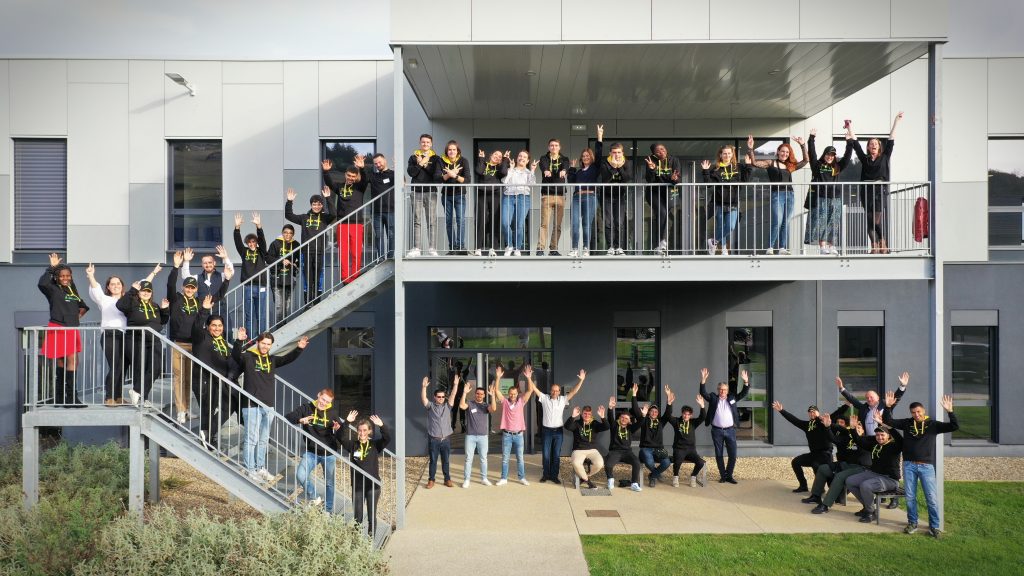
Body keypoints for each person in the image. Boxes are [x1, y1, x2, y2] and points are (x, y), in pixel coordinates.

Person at [232, 328, 307, 482]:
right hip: (251, 405)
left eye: (268, 344)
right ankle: (249, 469)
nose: (265, 346)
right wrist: (239, 341)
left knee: (263, 439)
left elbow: (287, 359)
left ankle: (260, 467)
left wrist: (299, 348)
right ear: (258, 343)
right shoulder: (248, 357)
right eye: (263, 343)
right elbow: (235, 355)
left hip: (268, 405)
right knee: (251, 439)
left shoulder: (271, 360)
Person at [883, 392, 959, 538]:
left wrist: (950, 411)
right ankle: (912, 523)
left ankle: (934, 527)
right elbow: (888, 421)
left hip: (926, 466)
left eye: (918, 411)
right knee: (910, 497)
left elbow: (954, 426)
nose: (916, 414)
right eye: (913, 412)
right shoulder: (907, 423)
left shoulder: (933, 425)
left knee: (931, 498)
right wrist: (888, 407)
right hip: (909, 465)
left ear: (923, 411)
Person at [85, 262, 160, 406]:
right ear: (108, 287)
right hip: (111, 335)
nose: (115, 286)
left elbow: (143, 284)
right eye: (112, 284)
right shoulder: (104, 299)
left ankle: (118, 396)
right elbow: (95, 289)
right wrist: (91, 276)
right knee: (115, 365)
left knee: (124, 367)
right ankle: (109, 397)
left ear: (122, 286)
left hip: (126, 336)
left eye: (118, 283)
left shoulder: (128, 298)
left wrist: (154, 272)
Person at [847, 112, 904, 253]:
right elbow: (856, 143)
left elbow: (891, 139)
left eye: (876, 144)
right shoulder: (864, 158)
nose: (873, 145)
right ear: (868, 147)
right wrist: (849, 127)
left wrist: (896, 121)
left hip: (879, 191)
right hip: (866, 191)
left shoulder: (885, 156)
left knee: (875, 220)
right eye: (871, 143)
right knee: (869, 218)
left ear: (879, 147)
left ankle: (882, 242)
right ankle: (874, 246)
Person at [38, 253, 90, 407]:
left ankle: (66, 398)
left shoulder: (72, 289)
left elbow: (83, 306)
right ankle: (65, 398)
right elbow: (42, 284)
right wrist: (52, 267)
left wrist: (76, 316)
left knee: (71, 360)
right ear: (57, 277)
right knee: (65, 360)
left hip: (71, 327)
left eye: (68, 275)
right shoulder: (52, 289)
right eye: (62, 276)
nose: (65, 278)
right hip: (58, 327)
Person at [746, 135, 808, 255]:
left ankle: (782, 248)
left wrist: (802, 145)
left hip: (790, 195)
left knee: (786, 222)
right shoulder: (771, 162)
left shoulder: (790, 165)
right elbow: (754, 163)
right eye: (782, 151)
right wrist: (750, 149)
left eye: (787, 152)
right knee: (777, 221)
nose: (785, 154)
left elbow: (806, 160)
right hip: (777, 194)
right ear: (778, 152)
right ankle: (770, 247)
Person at [191, 294, 238, 448]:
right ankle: (207, 439)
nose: (217, 328)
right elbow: (196, 327)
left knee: (230, 405)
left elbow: (230, 360)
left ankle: (208, 434)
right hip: (203, 378)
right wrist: (204, 310)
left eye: (220, 325)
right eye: (214, 325)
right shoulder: (202, 337)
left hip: (218, 379)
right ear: (208, 326)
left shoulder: (222, 341)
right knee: (207, 409)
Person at [286, 389, 342, 511]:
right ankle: (314, 497)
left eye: (327, 402)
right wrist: (300, 420)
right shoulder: (306, 408)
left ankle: (328, 510)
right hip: (311, 452)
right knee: (301, 475)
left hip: (329, 454)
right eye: (323, 399)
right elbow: (289, 416)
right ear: (318, 395)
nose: (324, 403)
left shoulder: (332, 412)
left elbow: (341, 430)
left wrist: (338, 429)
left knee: (329, 483)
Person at [117, 278, 170, 406]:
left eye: (148, 291)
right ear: (139, 292)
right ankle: (142, 398)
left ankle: (137, 391)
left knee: (156, 368)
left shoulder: (155, 306)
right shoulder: (132, 303)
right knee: (139, 368)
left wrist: (164, 310)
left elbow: (162, 321)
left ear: (151, 293)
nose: (146, 293)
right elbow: (120, 305)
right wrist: (132, 290)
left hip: (153, 339)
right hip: (136, 339)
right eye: (143, 291)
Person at [844, 411, 903, 523]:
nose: (879, 437)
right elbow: (859, 441)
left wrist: (887, 426)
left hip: (890, 479)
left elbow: (900, 440)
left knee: (865, 486)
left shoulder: (894, 446)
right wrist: (852, 429)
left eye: (882, 435)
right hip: (874, 474)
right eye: (877, 435)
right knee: (850, 481)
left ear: (888, 436)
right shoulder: (875, 445)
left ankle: (870, 513)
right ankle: (868, 507)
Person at [529, 368, 586, 483]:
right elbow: (534, 389)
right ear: (550, 391)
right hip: (546, 431)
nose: (555, 392)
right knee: (546, 455)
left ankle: (554, 476)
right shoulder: (544, 398)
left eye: (557, 391)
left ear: (560, 392)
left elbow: (574, 392)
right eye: (553, 390)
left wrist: (581, 380)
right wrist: (529, 378)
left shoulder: (563, 400)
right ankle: (546, 475)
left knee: (556, 455)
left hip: (558, 432)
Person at [167, 250, 204, 424]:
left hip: (194, 346)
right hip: (179, 344)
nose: (189, 289)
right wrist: (176, 266)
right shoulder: (176, 299)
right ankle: (180, 411)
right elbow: (170, 285)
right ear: (183, 288)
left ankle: (187, 409)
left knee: (189, 379)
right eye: (187, 287)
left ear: (196, 289)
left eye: (192, 288)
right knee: (179, 378)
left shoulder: (198, 302)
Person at [806, 410, 869, 514]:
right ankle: (816, 496)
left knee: (839, 476)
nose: (857, 430)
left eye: (859, 428)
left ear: (863, 430)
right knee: (823, 468)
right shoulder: (847, 438)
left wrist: (854, 432)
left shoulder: (867, 440)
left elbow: (860, 441)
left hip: (860, 468)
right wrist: (827, 427)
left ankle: (825, 505)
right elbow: (833, 439)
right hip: (846, 465)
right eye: (855, 428)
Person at [338, 413, 390, 535]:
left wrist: (381, 425)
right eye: (360, 430)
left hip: (373, 486)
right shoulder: (353, 445)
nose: (362, 433)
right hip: (358, 486)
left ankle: (370, 541)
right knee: (358, 517)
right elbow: (340, 437)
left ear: (369, 431)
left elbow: (387, 438)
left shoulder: (374, 445)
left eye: (365, 430)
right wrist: (347, 422)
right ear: (357, 431)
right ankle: (357, 541)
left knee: (371, 516)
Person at [805, 128, 853, 255]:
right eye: (828, 154)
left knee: (834, 222)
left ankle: (832, 246)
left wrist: (849, 142)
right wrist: (811, 138)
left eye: (832, 155)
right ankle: (823, 247)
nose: (830, 157)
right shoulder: (817, 166)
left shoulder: (837, 167)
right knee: (822, 221)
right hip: (821, 197)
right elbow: (812, 154)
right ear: (824, 154)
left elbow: (847, 157)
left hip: (836, 198)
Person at [285, 187, 335, 304]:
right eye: (314, 204)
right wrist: (289, 201)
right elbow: (289, 215)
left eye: (319, 204)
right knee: (308, 278)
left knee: (318, 278)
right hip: (306, 253)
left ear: (322, 205)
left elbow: (334, 213)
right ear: (311, 205)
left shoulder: (324, 218)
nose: (316, 206)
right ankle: (308, 303)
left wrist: (328, 198)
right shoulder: (304, 218)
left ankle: (317, 302)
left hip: (320, 252)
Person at [699, 367, 749, 483]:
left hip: (730, 430)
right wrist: (703, 380)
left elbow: (743, 393)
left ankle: (729, 475)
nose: (722, 392)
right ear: (718, 390)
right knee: (719, 454)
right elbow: (703, 393)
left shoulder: (732, 398)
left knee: (733, 454)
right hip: (717, 431)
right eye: (721, 390)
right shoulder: (713, 398)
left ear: (727, 390)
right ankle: (722, 476)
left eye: (725, 390)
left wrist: (746, 381)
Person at [322, 158, 368, 282]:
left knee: (356, 253)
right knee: (343, 252)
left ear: (356, 176)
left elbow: (364, 179)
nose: (351, 178)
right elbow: (330, 183)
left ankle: (355, 276)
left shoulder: (360, 187)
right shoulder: (339, 187)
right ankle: (345, 278)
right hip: (342, 224)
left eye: (353, 176)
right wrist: (326, 172)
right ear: (345, 174)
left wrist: (362, 168)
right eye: (349, 175)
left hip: (356, 224)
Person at [701, 146, 753, 255]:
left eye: (729, 153)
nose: (727, 155)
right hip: (719, 203)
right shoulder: (716, 169)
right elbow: (708, 184)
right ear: (720, 155)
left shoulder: (738, 167)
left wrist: (748, 165)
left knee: (731, 226)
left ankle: (713, 241)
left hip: (733, 203)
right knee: (721, 227)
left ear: (732, 154)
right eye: (724, 153)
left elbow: (746, 180)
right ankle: (724, 249)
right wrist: (705, 171)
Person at [772, 401, 833, 493]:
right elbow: (794, 420)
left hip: (825, 454)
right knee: (795, 462)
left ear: (818, 413)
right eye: (810, 412)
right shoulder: (807, 425)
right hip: (814, 454)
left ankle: (820, 489)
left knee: (816, 465)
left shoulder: (823, 423)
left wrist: (847, 405)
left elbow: (836, 415)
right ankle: (803, 486)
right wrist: (781, 410)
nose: (812, 413)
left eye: (814, 412)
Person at [492, 364, 535, 485]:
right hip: (507, 435)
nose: (513, 395)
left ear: (517, 393)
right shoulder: (505, 402)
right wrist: (498, 377)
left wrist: (529, 378)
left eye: (515, 394)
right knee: (505, 459)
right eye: (511, 394)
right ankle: (503, 478)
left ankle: (522, 478)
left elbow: (530, 390)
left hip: (519, 435)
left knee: (520, 458)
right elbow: (497, 390)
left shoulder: (521, 401)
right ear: (508, 393)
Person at [567, 125, 603, 257]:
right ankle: (574, 249)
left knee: (586, 223)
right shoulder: (579, 172)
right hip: (577, 198)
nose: (585, 157)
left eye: (587, 155)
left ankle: (586, 248)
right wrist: (572, 168)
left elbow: (599, 154)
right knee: (575, 223)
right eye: (583, 156)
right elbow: (571, 182)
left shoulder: (595, 168)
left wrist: (599, 137)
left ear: (591, 157)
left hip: (590, 197)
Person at [232, 212, 270, 336]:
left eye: (254, 241)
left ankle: (261, 336)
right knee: (249, 315)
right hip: (248, 286)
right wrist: (237, 228)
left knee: (261, 315)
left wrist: (259, 226)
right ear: (247, 243)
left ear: (256, 242)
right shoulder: (244, 252)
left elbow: (263, 240)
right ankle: (250, 339)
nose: (252, 244)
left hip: (261, 286)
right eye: (249, 242)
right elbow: (237, 242)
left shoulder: (261, 251)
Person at [837, 372, 908, 435]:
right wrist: (841, 388)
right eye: (867, 398)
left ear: (878, 398)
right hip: (868, 439)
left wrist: (902, 386)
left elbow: (896, 397)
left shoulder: (885, 405)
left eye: (871, 397)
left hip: (883, 438)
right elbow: (852, 399)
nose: (869, 399)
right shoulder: (864, 408)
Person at [663, 387, 707, 488]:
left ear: (691, 415)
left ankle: (693, 477)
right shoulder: (676, 422)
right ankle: (675, 477)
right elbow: (668, 416)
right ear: (682, 414)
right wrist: (669, 403)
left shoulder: (693, 423)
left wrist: (702, 406)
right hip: (679, 449)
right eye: (684, 414)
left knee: (700, 463)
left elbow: (703, 417)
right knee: (677, 462)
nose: (686, 416)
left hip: (691, 450)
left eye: (688, 414)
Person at [643, 142, 681, 255]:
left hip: (668, 193)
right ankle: (662, 241)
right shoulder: (651, 161)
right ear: (654, 154)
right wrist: (652, 169)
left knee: (663, 216)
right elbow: (650, 180)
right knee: (662, 213)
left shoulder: (674, 160)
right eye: (658, 151)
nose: (661, 152)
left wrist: (673, 179)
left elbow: (676, 179)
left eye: (663, 149)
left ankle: (659, 245)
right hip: (653, 193)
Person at [180, 245, 235, 322]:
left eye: (210, 262)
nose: (208, 265)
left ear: (214, 263)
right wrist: (186, 261)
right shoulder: (198, 277)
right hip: (203, 309)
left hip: (220, 308)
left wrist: (225, 258)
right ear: (202, 265)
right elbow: (186, 277)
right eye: (205, 263)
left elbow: (231, 272)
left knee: (225, 328)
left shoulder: (222, 276)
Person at [631, 383, 670, 488]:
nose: (653, 413)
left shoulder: (661, 422)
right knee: (649, 461)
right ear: (648, 412)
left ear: (658, 413)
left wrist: (669, 401)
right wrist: (634, 395)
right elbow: (635, 410)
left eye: (656, 412)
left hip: (659, 449)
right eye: (651, 411)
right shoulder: (644, 421)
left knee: (667, 462)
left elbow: (667, 413)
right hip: (645, 449)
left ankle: (652, 475)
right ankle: (655, 476)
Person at [421, 374, 456, 488]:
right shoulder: (430, 406)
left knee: (446, 461)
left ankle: (447, 479)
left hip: (445, 440)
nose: (441, 398)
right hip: (434, 439)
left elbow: (453, 395)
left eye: (443, 397)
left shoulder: (448, 406)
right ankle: (431, 480)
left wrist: (455, 385)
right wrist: (424, 387)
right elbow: (424, 399)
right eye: (439, 397)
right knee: (433, 460)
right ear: (435, 397)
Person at [501, 150, 539, 256]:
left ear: (527, 160)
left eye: (524, 157)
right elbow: (505, 182)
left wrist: (532, 170)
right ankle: (509, 246)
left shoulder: (528, 172)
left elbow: (532, 184)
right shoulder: (510, 170)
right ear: (517, 158)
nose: (521, 158)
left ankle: (517, 248)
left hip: (523, 197)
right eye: (520, 156)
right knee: (505, 222)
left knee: (519, 224)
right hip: (508, 196)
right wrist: (511, 169)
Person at [598, 141, 633, 255]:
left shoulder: (627, 163)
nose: (616, 155)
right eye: (614, 152)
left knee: (619, 222)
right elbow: (606, 179)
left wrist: (620, 167)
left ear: (622, 153)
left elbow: (627, 179)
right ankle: (610, 247)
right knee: (608, 222)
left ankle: (619, 247)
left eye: (618, 152)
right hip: (606, 196)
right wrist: (613, 167)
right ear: (610, 153)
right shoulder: (605, 163)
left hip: (620, 196)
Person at [407, 134, 439, 257]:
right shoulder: (413, 157)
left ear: (431, 144)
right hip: (416, 192)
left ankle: (432, 248)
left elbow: (435, 174)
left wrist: (425, 164)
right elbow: (411, 173)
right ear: (420, 143)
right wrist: (420, 163)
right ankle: (417, 248)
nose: (425, 144)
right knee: (417, 221)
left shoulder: (436, 158)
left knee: (431, 221)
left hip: (431, 192)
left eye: (427, 142)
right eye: (423, 142)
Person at [434, 140, 468, 255]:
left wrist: (455, 176)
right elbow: (437, 179)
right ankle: (452, 248)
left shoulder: (463, 161)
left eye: (454, 149)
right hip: (446, 196)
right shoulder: (441, 161)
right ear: (446, 151)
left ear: (458, 151)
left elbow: (467, 180)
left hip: (460, 195)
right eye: (449, 150)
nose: (452, 151)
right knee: (449, 222)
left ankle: (460, 247)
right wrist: (449, 174)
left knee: (460, 221)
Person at [360, 154, 397, 260]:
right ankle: (381, 258)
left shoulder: (393, 174)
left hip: (391, 210)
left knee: (391, 235)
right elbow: (364, 179)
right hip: (376, 212)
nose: (378, 165)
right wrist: (362, 168)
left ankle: (390, 257)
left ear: (384, 160)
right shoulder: (373, 176)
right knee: (378, 236)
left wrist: (398, 168)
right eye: (375, 163)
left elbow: (402, 183)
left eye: (379, 162)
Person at [474, 149, 509, 257]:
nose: (497, 157)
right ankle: (478, 248)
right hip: (482, 195)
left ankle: (492, 248)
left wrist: (505, 159)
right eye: (495, 154)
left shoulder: (500, 167)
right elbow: (478, 171)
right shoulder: (484, 164)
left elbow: (504, 173)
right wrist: (481, 158)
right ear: (491, 155)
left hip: (495, 195)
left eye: (500, 156)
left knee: (494, 220)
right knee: (481, 220)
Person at [537, 139, 570, 256]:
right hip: (547, 194)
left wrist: (564, 170)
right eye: (551, 145)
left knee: (557, 225)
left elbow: (566, 165)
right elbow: (543, 165)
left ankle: (553, 249)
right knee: (544, 224)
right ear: (548, 147)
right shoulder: (544, 158)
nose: (554, 147)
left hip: (560, 195)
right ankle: (540, 248)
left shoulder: (564, 159)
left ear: (559, 147)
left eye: (556, 145)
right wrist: (546, 170)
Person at [460, 383, 496, 487]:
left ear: (484, 395)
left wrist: (493, 395)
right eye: (477, 393)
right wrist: (464, 393)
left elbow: (493, 409)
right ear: (475, 394)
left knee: (483, 458)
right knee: (468, 459)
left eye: (481, 394)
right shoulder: (470, 403)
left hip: (483, 437)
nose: (479, 395)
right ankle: (467, 480)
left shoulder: (485, 406)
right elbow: (462, 406)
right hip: (470, 436)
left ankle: (484, 479)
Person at [564, 404, 609, 489]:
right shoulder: (577, 423)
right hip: (578, 450)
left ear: (591, 414)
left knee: (599, 464)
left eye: (589, 414)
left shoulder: (594, 423)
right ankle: (588, 482)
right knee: (576, 463)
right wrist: (573, 416)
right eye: (585, 413)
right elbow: (567, 427)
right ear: (581, 414)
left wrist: (602, 417)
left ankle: (584, 477)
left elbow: (606, 427)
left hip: (592, 450)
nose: (587, 415)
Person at [604, 395, 643, 491]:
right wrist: (610, 408)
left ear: (629, 421)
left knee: (636, 462)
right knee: (608, 464)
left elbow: (640, 423)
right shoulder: (614, 426)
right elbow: (610, 418)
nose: (624, 419)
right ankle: (610, 479)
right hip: (615, 451)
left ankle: (634, 483)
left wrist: (643, 415)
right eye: (622, 417)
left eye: (626, 418)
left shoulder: (630, 428)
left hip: (627, 452)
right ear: (619, 418)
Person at [267, 225, 298, 320]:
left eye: (290, 233)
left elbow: (300, 260)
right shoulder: (275, 243)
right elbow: (268, 258)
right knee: (279, 305)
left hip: (290, 277)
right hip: (277, 277)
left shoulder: (296, 244)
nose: (288, 235)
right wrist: (281, 261)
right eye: (285, 232)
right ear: (282, 233)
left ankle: (283, 325)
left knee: (286, 305)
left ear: (293, 234)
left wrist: (294, 264)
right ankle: (280, 327)